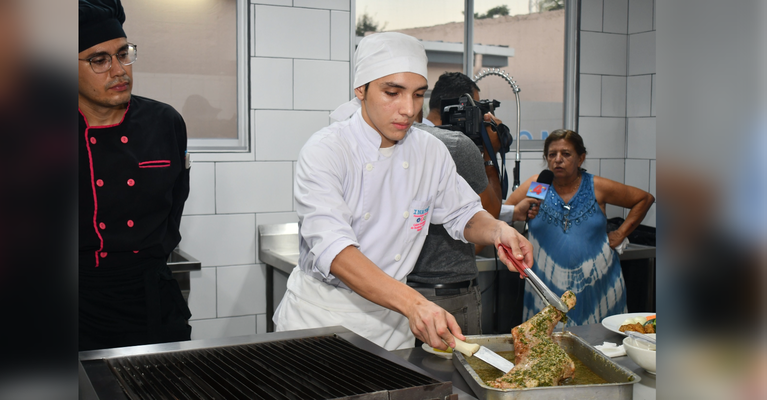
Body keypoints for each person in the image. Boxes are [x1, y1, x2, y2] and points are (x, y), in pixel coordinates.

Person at [273, 32, 533, 351]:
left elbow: (463, 213)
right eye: (393, 93)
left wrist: (497, 231)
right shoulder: (327, 151)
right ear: (361, 89)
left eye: (417, 94)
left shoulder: (428, 151)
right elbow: (335, 251)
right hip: (319, 325)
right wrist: (414, 303)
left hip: (391, 329)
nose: (408, 109)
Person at [79, 0, 192, 351]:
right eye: (99, 60)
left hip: (153, 301)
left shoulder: (165, 123)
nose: (119, 70)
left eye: (123, 53)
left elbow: (176, 202)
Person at [407, 72, 540, 335]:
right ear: (460, 107)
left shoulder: (411, 137)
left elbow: (458, 207)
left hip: (404, 288)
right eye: (476, 109)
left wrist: (512, 213)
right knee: (458, 373)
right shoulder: (456, 145)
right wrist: (488, 152)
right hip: (449, 291)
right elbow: (487, 209)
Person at [504, 129, 655, 326]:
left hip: (598, 285)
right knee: (546, 347)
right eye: (552, 155)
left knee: (601, 346)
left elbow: (644, 199)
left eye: (566, 154)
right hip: (546, 286)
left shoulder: (597, 186)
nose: (558, 159)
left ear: (580, 158)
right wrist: (518, 215)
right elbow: (503, 217)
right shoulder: (537, 185)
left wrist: (620, 233)